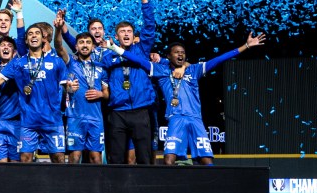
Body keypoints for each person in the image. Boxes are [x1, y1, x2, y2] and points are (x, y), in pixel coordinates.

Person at [111, 31, 267, 165]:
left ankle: (215, 187)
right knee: (168, 160)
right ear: (168, 56)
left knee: (206, 160)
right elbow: (139, 61)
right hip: (176, 119)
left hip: (195, 119)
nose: (180, 54)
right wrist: (115, 48)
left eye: (183, 53)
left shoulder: (194, 70)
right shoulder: (161, 70)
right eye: (176, 52)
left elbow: (220, 59)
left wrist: (246, 46)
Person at [0, 22, 68, 163]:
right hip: (28, 121)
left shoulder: (57, 62)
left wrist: (72, 89)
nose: (33, 36)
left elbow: (66, 87)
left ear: (43, 38)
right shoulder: (17, 63)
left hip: (52, 119)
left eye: (37, 33)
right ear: (26, 40)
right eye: (30, 34)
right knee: (25, 159)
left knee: (59, 158)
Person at [98, 0, 158, 164]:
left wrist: (144, 0)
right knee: (116, 158)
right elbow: (100, 76)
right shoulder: (108, 57)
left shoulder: (142, 50)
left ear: (134, 35)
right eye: (122, 32)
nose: (126, 34)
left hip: (140, 110)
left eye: (129, 31)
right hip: (118, 112)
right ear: (116, 36)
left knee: (144, 157)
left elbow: (149, 27)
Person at [54, 17, 109, 164]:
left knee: (96, 158)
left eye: (88, 42)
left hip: (96, 118)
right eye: (81, 42)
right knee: (75, 156)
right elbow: (59, 46)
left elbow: (107, 93)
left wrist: (101, 94)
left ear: (93, 47)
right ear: (76, 47)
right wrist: (58, 29)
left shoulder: (101, 68)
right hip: (75, 117)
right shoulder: (70, 62)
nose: (85, 45)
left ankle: (97, 181)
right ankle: (73, 181)